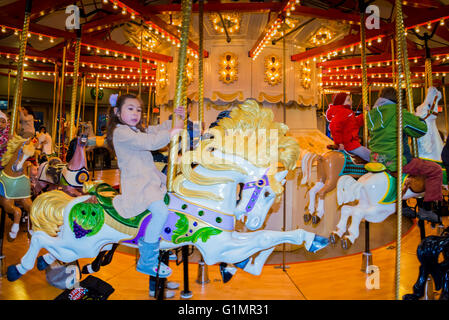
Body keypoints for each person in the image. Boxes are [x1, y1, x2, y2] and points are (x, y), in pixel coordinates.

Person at [106, 93, 184, 278]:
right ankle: (147, 261)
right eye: (130, 109)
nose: (135, 113)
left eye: (139, 110)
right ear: (117, 112)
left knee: (173, 203)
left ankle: (161, 243)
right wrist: (173, 132)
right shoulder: (121, 132)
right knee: (160, 212)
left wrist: (175, 117)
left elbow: (155, 130)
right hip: (138, 186)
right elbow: (151, 141)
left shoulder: (134, 130)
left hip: (150, 182)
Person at [368, 86, 443, 222]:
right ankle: (426, 208)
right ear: (397, 99)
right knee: (436, 169)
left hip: (376, 159)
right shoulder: (398, 113)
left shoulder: (373, 113)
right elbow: (421, 130)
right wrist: (419, 120)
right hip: (395, 159)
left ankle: (403, 205)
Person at [325, 92, 371, 162]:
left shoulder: (347, 112)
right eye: (348, 100)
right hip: (350, 144)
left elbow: (356, 123)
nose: (352, 101)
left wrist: (365, 114)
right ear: (342, 102)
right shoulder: (343, 112)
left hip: (351, 143)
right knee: (371, 156)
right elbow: (334, 126)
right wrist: (339, 143)